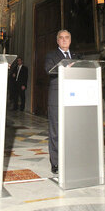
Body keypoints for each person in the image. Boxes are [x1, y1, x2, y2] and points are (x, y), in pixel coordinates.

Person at [45, 29, 76, 174]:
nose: (64, 40)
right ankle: (56, 163)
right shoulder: (51, 55)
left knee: (71, 128)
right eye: (61, 38)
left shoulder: (76, 56)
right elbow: (49, 70)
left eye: (67, 38)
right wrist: (64, 68)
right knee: (55, 131)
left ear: (70, 40)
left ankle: (71, 159)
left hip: (73, 96)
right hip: (56, 97)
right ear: (57, 41)